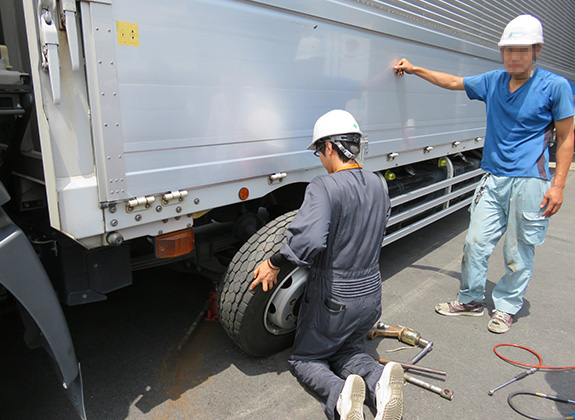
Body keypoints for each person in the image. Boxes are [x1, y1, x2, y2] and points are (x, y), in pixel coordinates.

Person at [393, 14, 575, 334]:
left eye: (522, 50)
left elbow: (566, 137)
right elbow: (452, 82)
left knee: (518, 251)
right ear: (501, 51)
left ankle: (506, 306)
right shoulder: (493, 81)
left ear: (537, 50)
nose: (515, 57)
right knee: (475, 242)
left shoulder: (554, 87)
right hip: (492, 177)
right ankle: (471, 300)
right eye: (509, 50)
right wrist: (414, 69)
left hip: (530, 181)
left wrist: (557, 185)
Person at [250, 109, 404, 420]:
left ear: (330, 148)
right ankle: (376, 381)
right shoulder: (379, 185)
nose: (320, 159)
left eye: (320, 151)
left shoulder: (324, 186)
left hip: (335, 296)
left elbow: (309, 240)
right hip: (371, 292)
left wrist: (274, 262)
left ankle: (340, 396)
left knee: (306, 359)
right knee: (347, 351)